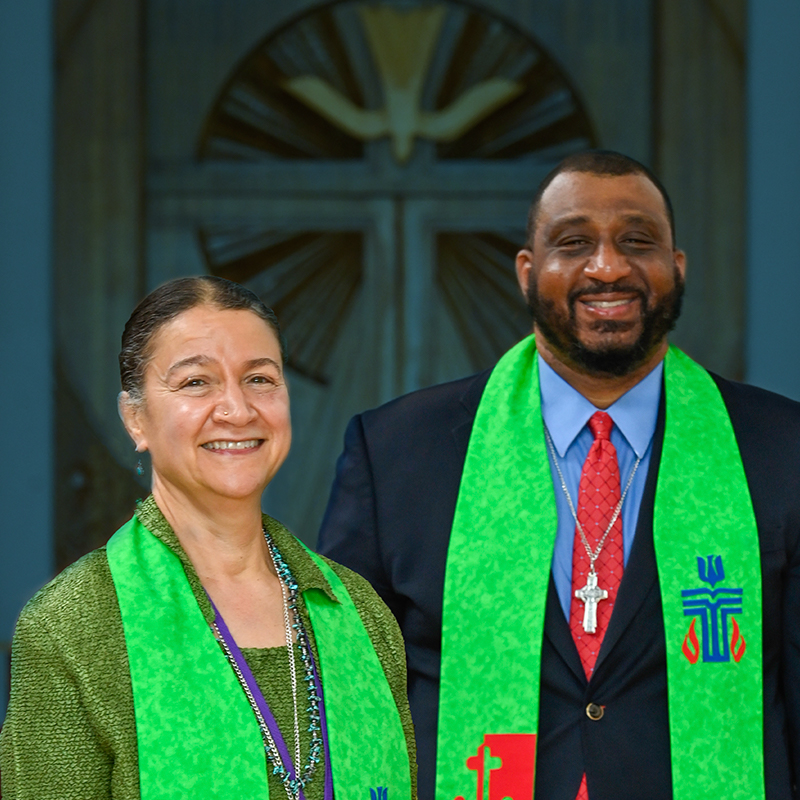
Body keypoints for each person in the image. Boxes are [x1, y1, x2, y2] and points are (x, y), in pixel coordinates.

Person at [317, 151, 800, 800]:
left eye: (638, 242)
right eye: (574, 243)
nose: (608, 266)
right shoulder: (397, 450)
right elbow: (345, 696)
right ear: (527, 270)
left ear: (676, 268)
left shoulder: (780, 447)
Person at [0, 276, 416, 800]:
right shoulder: (73, 625)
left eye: (260, 379)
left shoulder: (358, 611)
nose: (238, 410)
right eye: (196, 383)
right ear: (136, 419)